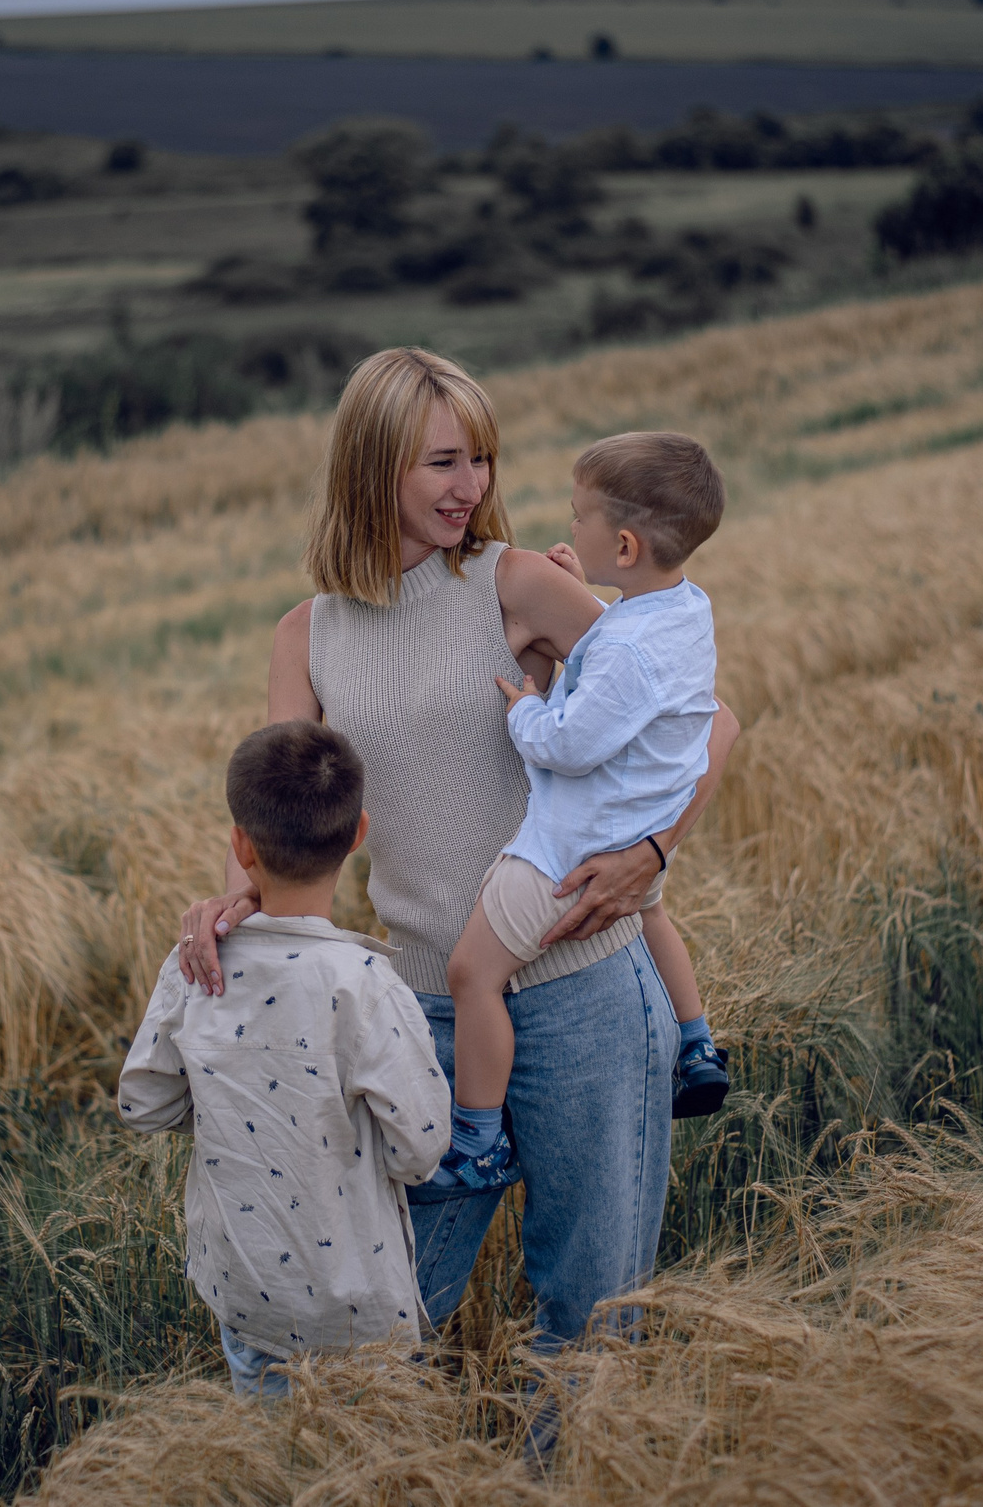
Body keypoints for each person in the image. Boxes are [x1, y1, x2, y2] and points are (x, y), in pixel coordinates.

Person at [177, 347, 740, 1357]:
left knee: (591, 1314)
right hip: (425, 1010)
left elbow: (708, 720)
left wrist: (654, 850)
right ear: (371, 465)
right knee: (388, 1307)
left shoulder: (514, 585)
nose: (471, 485)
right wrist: (229, 904)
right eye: (441, 461)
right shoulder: (307, 636)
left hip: (585, 996)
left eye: (479, 458)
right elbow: (277, 818)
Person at [432, 432, 731, 1195]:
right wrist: (594, 596)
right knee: (653, 915)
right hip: (641, 825)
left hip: (577, 847)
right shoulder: (682, 608)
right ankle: (696, 1043)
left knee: (472, 972)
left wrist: (527, 710)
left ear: (624, 544)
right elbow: (631, 653)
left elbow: (571, 743)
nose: (569, 530)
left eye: (579, 519)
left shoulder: (625, 649)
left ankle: (477, 1139)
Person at [118, 720, 451, 1399]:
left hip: (247, 1295)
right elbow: (421, 1148)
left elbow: (144, 1103)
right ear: (359, 834)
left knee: (273, 1465)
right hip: (358, 1307)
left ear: (240, 845)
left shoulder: (195, 965)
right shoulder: (365, 983)